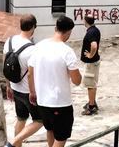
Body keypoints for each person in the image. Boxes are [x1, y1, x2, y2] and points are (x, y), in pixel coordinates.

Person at [28, 15, 82, 147]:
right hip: (60, 103)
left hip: (42, 101)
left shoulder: (38, 47)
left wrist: (32, 92)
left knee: (50, 130)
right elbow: (76, 81)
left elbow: (30, 73)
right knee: (61, 137)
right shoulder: (67, 52)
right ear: (69, 32)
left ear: (55, 28)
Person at [3, 14, 43, 147]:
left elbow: (5, 65)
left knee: (21, 119)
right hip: (27, 91)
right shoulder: (32, 49)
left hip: (15, 88)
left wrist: (8, 86)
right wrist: (33, 92)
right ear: (32, 27)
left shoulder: (9, 41)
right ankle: (13, 142)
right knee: (39, 120)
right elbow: (31, 74)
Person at [80, 14, 101, 116]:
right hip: (94, 63)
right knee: (93, 83)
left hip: (91, 64)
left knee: (90, 85)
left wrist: (90, 55)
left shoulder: (91, 33)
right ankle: (92, 101)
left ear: (85, 21)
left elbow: (94, 45)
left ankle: (91, 107)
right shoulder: (95, 30)